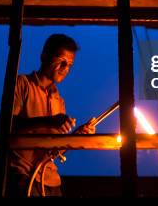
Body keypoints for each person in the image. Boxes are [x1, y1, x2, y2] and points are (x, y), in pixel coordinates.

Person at [7, 34, 96, 197]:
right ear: (44, 56)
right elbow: (8, 126)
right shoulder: (22, 84)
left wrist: (78, 135)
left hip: (51, 181)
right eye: (61, 60)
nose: (65, 68)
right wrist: (49, 121)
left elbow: (54, 150)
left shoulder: (59, 100)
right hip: (23, 176)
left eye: (70, 64)